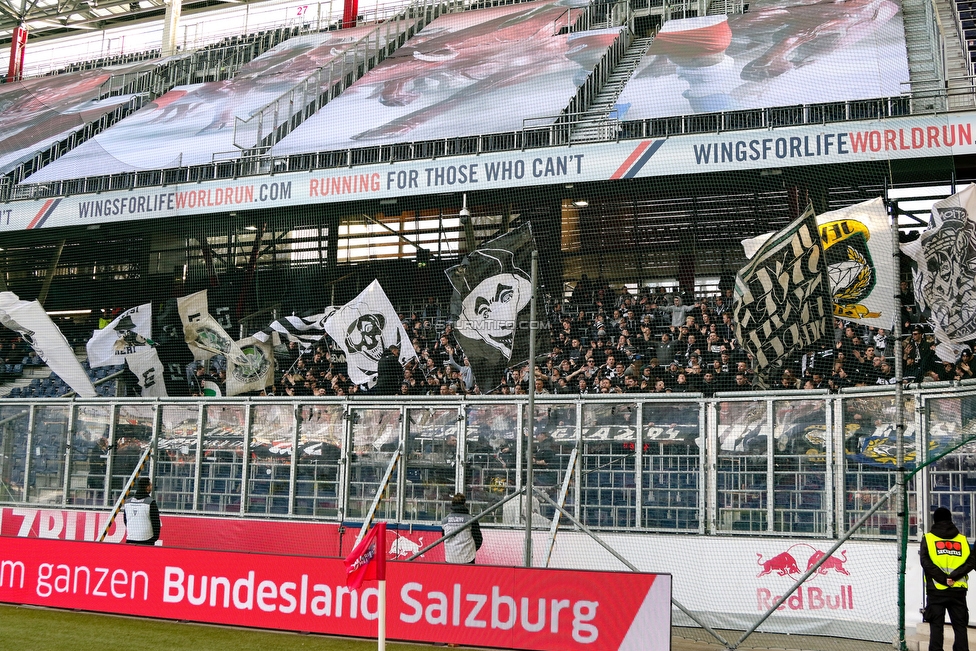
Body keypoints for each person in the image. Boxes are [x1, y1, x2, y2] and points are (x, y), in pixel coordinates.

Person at [921, 507, 976, 651]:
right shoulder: (962, 539)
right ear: (950, 519)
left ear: (935, 520)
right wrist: (954, 576)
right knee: (960, 627)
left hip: (936, 590)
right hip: (958, 590)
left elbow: (925, 563)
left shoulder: (928, 538)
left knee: (936, 628)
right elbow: (971, 561)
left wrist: (943, 579)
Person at [441, 493, 483, 564]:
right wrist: (471, 550)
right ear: (464, 504)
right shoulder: (471, 520)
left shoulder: (445, 521)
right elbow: (478, 539)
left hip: (450, 558)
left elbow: (443, 538)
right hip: (467, 558)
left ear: (452, 504)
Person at [123, 476, 161, 545]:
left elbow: (125, 520)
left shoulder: (127, 502)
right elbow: (156, 522)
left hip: (130, 538)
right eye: (150, 485)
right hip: (147, 539)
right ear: (147, 487)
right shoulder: (151, 502)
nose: (151, 487)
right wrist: (155, 537)